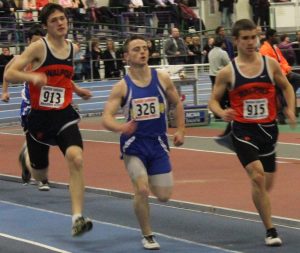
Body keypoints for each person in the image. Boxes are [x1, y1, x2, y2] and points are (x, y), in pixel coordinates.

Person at [5, 3, 93, 236]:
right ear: (45, 26)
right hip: (40, 117)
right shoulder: (38, 48)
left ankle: (77, 217)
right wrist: (31, 77)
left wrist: (78, 90)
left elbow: (61, 79)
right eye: (54, 20)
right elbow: (9, 73)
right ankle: (26, 157)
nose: (60, 23)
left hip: (63, 113)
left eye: (62, 18)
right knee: (40, 175)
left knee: (76, 158)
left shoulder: (73, 48)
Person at [209, 19, 296, 247]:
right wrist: (221, 112)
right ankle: (270, 230)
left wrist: (290, 107)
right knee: (257, 176)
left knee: (264, 185)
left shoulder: (270, 65)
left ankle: (260, 203)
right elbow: (213, 101)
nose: (250, 42)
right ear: (236, 41)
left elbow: (286, 86)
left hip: (268, 131)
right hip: (242, 130)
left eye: (253, 37)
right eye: (245, 38)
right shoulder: (228, 72)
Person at [102, 35, 185, 250]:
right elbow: (107, 117)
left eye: (144, 48)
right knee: (142, 189)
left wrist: (181, 130)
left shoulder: (162, 78)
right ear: (126, 56)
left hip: (158, 143)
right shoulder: (121, 87)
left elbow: (176, 103)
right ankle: (148, 235)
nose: (142, 52)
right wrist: (120, 127)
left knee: (164, 196)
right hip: (134, 145)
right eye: (136, 49)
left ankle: (148, 180)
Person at [259, 28, 300, 123]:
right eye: (275, 36)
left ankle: (287, 100)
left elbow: (282, 61)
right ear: (270, 37)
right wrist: (284, 74)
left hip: (282, 74)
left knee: (297, 78)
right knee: (281, 88)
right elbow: (272, 66)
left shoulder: (275, 48)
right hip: (272, 76)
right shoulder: (264, 49)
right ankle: (282, 112)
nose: (277, 37)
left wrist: (287, 71)